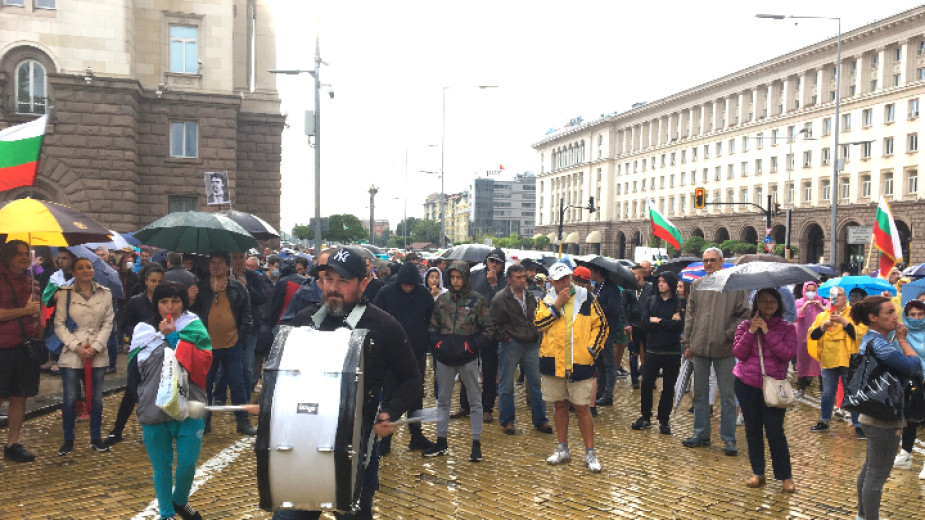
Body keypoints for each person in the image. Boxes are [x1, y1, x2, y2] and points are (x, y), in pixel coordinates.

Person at [282, 246, 421, 520]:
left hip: (356, 450)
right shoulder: (303, 322)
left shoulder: (384, 326)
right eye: (328, 279)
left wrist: (390, 414)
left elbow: (411, 378)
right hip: (304, 444)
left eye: (343, 281)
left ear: (364, 283)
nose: (333, 287)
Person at [133, 282, 213, 520]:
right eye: (164, 301)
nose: (170, 307)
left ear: (184, 302)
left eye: (175, 301)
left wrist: (174, 337)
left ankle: (180, 500)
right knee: (162, 467)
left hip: (190, 405)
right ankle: (166, 513)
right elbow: (136, 373)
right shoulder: (143, 332)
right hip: (154, 408)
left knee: (188, 463)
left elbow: (201, 364)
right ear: (156, 304)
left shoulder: (194, 327)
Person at [851, 296, 923, 520]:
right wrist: (902, 340)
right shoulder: (880, 344)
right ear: (873, 318)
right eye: (889, 312)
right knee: (877, 473)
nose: (895, 316)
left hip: (873, 412)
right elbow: (914, 365)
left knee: (870, 467)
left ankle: (863, 516)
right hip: (883, 416)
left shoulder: (873, 339)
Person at [535, 262, 608, 473]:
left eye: (567, 277)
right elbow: (539, 324)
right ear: (551, 282)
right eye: (560, 280)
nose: (566, 282)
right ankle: (562, 448)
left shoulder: (586, 297)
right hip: (554, 362)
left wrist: (591, 350)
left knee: (583, 407)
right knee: (559, 405)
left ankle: (590, 452)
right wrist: (557, 304)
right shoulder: (546, 299)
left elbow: (601, 325)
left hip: (580, 362)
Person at [681, 247, 750, 455]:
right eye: (705, 260)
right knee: (699, 394)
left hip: (725, 348)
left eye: (712, 260)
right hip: (699, 346)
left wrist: (727, 333)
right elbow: (690, 316)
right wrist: (687, 343)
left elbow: (744, 315)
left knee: (728, 396)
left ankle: (729, 439)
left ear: (721, 261)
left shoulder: (735, 287)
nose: (708, 264)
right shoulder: (697, 285)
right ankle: (701, 433)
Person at [425, 261, 493, 461]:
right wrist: (438, 345)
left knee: (475, 401)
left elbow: (488, 329)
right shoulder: (442, 300)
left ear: (465, 278)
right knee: (443, 401)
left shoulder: (478, 301)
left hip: (468, 358)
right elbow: (432, 327)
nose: (455, 281)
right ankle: (441, 441)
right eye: (452, 277)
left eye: (459, 277)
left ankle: (476, 443)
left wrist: (471, 346)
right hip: (445, 358)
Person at [732, 288, 797, 493]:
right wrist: (752, 332)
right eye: (764, 301)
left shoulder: (787, 328)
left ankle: (785, 475)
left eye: (772, 301)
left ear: (779, 305)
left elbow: (787, 354)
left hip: (773, 387)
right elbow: (739, 353)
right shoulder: (745, 326)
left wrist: (768, 333)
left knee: (775, 431)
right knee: (752, 430)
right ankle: (758, 472)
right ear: (756, 305)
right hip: (746, 384)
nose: (768, 305)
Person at [372, 262, 437, 453]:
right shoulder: (386, 293)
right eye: (405, 285)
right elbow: (376, 318)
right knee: (391, 395)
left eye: (412, 285)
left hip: (415, 351)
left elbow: (430, 319)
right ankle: (386, 440)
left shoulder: (423, 294)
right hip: (391, 354)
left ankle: (416, 436)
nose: (408, 288)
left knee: (415, 394)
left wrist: (425, 341)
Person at [189, 252, 256, 435]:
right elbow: (189, 316)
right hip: (206, 347)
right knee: (205, 386)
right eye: (212, 262)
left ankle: (242, 421)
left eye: (219, 262)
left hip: (232, 345)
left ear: (227, 267)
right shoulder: (200, 288)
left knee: (237, 384)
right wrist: (191, 300)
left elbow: (246, 317)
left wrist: (240, 340)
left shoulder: (238, 288)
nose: (215, 265)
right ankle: (204, 422)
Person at [55, 257, 114, 455]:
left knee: (96, 398)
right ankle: (68, 439)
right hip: (72, 351)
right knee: (70, 398)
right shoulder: (65, 294)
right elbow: (59, 324)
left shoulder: (106, 294)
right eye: (80, 268)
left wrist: (96, 347)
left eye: (88, 267)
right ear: (73, 273)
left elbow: (108, 322)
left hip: (97, 350)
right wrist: (76, 346)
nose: (85, 271)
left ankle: (96, 437)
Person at [105, 263, 164, 445]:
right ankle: (117, 430)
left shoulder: (167, 302)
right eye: (153, 281)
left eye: (159, 281)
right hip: (139, 353)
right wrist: (141, 331)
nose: (156, 285)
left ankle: (157, 430)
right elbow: (124, 324)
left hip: (160, 353)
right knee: (132, 390)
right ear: (146, 281)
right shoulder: (136, 301)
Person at [491, 264, 552, 435]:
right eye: (518, 277)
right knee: (506, 384)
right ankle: (507, 421)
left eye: (523, 276)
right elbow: (493, 324)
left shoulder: (530, 296)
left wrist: (537, 333)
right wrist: (506, 337)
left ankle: (541, 420)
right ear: (509, 280)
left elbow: (537, 316)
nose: (522, 280)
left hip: (531, 343)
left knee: (535, 384)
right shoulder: (500, 298)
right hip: (511, 344)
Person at [0, 240, 41, 464]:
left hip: (26, 348)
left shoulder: (32, 281)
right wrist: (23, 311)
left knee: (20, 396)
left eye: (27, 253)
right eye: (19, 254)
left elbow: (37, 316)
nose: (25, 257)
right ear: (7, 256)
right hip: (2, 348)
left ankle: (13, 443)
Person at [807, 286, 865, 438]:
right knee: (827, 393)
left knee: (852, 392)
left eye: (839, 295)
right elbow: (813, 335)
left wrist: (844, 323)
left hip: (849, 359)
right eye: (833, 296)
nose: (836, 298)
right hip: (829, 358)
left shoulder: (854, 315)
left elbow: (859, 334)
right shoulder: (822, 316)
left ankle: (857, 423)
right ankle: (824, 421)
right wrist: (823, 326)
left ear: (845, 297)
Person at [632, 271, 685, 435]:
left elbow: (680, 326)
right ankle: (645, 416)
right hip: (653, 349)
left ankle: (664, 420)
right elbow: (645, 323)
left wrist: (659, 321)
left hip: (672, 351)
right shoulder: (651, 300)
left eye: (664, 281)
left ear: (671, 283)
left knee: (668, 387)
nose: (660, 284)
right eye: (659, 281)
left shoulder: (679, 302)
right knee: (647, 384)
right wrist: (668, 321)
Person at [460, 248, 507, 423]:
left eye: (497, 262)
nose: (493, 265)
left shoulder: (504, 281)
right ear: (486, 261)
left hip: (492, 332)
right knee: (467, 366)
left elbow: (502, 305)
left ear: (502, 265)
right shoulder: (476, 275)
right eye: (491, 261)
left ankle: (487, 407)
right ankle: (465, 405)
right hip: (473, 328)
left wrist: (494, 286)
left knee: (489, 371)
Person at [892, 299, 925, 478]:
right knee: (910, 418)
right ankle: (905, 453)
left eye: (920, 314)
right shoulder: (902, 332)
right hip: (910, 382)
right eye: (912, 314)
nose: (916, 318)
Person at [590, 263, 629, 404]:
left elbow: (613, 309)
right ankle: (600, 391)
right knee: (599, 362)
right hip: (597, 329)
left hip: (607, 329)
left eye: (591, 271)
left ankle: (608, 394)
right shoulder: (598, 286)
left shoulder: (611, 288)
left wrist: (597, 304)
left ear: (597, 272)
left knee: (609, 362)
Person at [794, 282, 825, 397]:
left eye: (813, 290)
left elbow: (829, 314)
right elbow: (795, 318)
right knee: (803, 362)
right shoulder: (799, 302)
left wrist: (821, 307)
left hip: (820, 337)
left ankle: (823, 388)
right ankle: (801, 387)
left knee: (821, 363)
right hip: (803, 337)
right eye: (808, 290)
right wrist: (803, 307)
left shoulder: (822, 301)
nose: (811, 293)